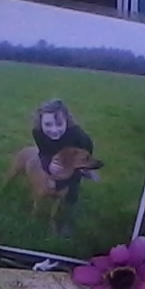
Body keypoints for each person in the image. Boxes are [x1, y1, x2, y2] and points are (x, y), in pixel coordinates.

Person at [31, 100, 93, 235]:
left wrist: (79, 168)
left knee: (72, 189)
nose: (54, 130)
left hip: (75, 161)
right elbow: (43, 152)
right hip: (54, 156)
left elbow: (87, 150)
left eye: (59, 124)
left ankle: (67, 218)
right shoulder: (38, 133)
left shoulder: (77, 135)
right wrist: (49, 165)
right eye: (48, 124)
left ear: (67, 121)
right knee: (49, 178)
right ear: (40, 123)